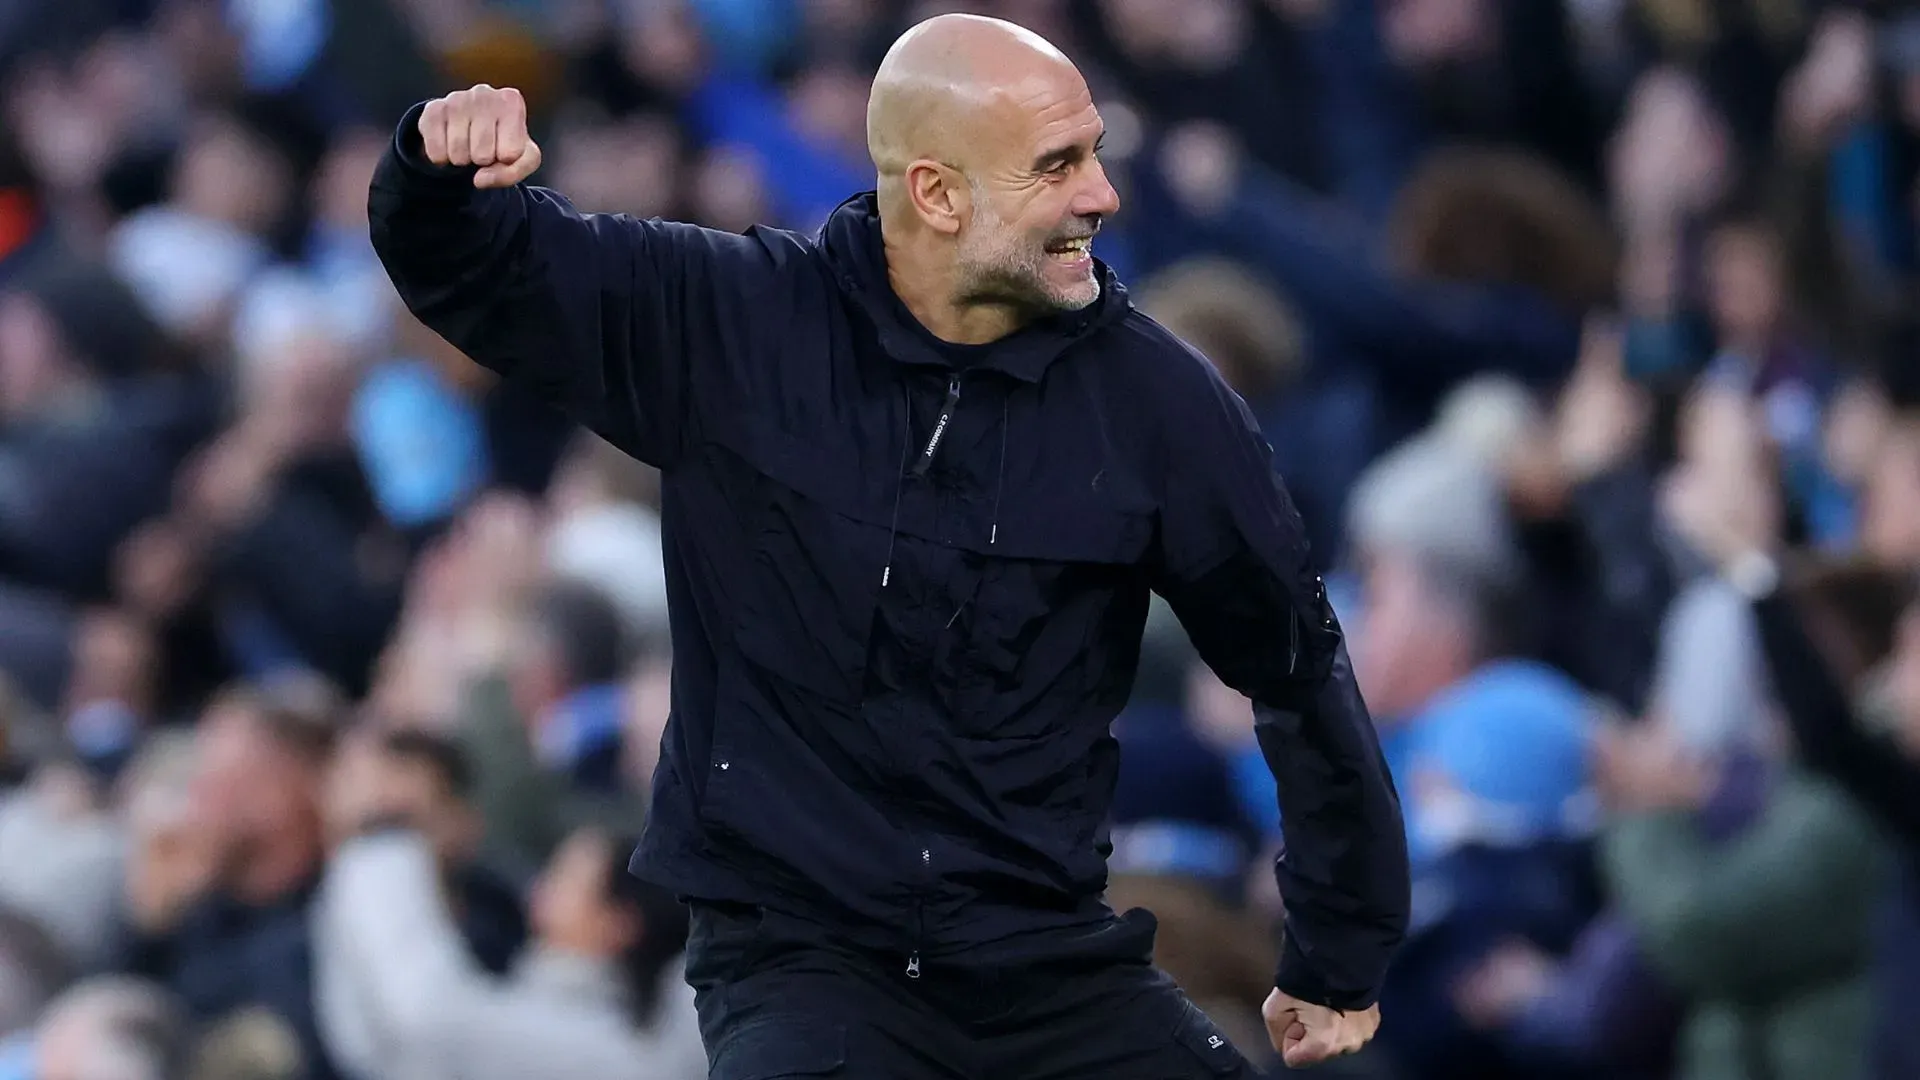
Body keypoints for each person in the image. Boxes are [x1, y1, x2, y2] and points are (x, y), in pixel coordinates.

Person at [368, 13, 1410, 1076]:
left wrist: (1339, 949)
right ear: (938, 193)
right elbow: (478, 270)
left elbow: (1299, 668)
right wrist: (437, 163)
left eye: (1096, 151)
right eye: (1057, 166)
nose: (1101, 194)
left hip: (1045, 963)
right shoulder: (734, 321)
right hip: (798, 961)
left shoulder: (1162, 404)